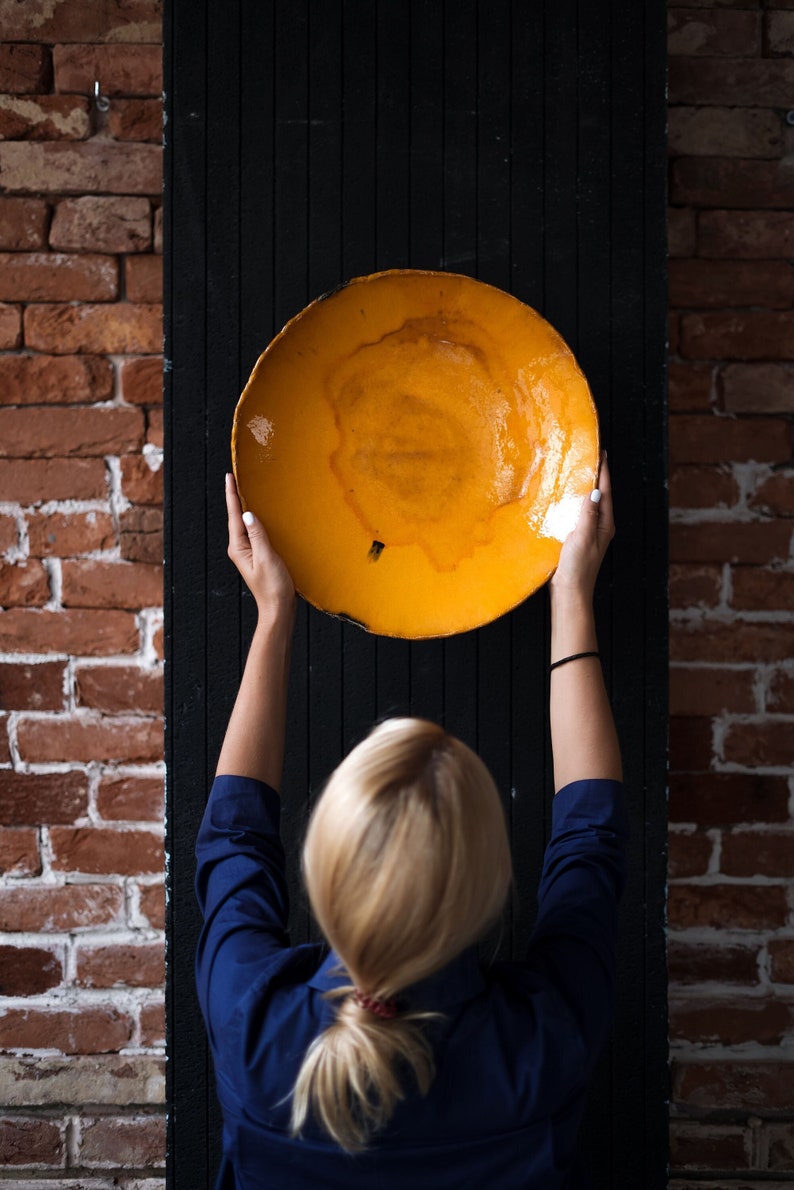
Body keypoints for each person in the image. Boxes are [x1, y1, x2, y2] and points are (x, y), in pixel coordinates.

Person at [195, 457, 625, 1189]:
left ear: (322, 872)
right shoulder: (543, 1041)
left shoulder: (251, 1023)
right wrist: (571, 592)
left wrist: (274, 610)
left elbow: (233, 834)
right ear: (492, 889)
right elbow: (592, 835)